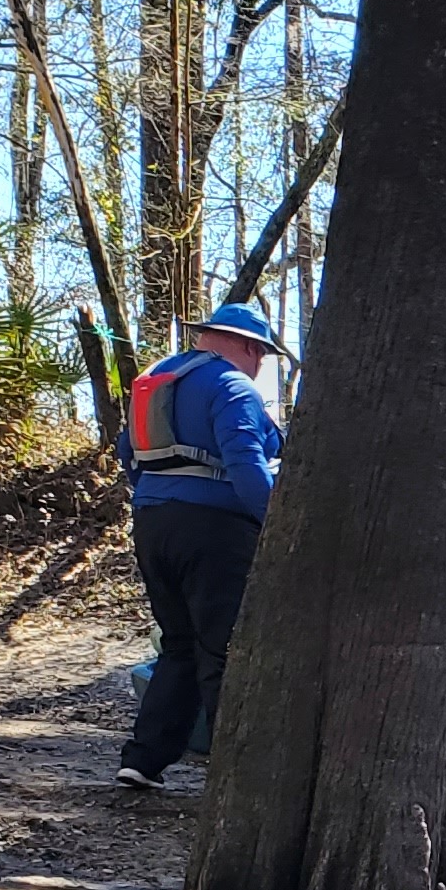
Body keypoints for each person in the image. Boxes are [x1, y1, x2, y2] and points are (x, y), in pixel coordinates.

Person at [116, 303, 289, 791]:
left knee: (178, 643)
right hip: (214, 529)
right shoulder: (232, 385)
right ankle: (238, 776)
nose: (259, 364)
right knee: (222, 648)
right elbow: (246, 463)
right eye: (260, 354)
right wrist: (275, 525)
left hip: (153, 523)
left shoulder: (156, 380)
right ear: (247, 346)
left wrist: (156, 499)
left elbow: (127, 450)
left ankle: (143, 758)